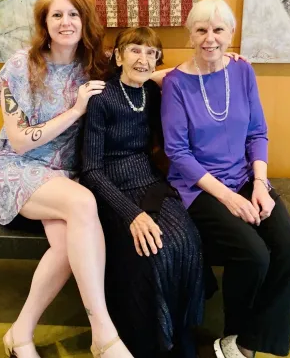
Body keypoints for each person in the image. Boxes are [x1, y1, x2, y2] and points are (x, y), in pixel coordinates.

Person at [0, 0, 133, 358]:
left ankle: (20, 333)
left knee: (66, 246)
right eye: (57, 15)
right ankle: (103, 333)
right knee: (83, 203)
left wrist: (206, 63)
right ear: (45, 24)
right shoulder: (21, 66)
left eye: (74, 14)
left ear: (84, 21)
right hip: (16, 168)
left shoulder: (95, 64)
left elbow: (142, 67)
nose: (66, 22)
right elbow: (19, 141)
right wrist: (76, 110)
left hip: (62, 175)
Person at [161, 0, 290, 358]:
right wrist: (227, 197)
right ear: (190, 35)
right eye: (201, 30)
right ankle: (236, 332)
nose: (210, 38)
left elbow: (257, 133)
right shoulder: (176, 83)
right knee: (253, 255)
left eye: (218, 30)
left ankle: (248, 342)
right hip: (199, 187)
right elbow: (178, 152)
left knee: (289, 245)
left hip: (244, 177)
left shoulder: (242, 71)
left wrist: (260, 185)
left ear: (231, 34)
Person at [81, 27, 205, 358]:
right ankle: (152, 342)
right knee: (152, 253)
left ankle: (181, 333)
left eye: (151, 53)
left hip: (150, 181)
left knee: (187, 240)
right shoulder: (101, 98)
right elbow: (91, 170)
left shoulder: (151, 92)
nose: (144, 59)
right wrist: (132, 214)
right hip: (111, 189)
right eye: (135, 50)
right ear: (118, 56)